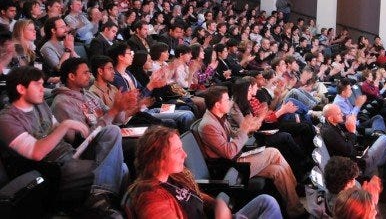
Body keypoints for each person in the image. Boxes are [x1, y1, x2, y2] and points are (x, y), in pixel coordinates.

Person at [0, 66, 127, 217]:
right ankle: (100, 203)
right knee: (122, 169)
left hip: (71, 154)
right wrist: (66, 125)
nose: (43, 89)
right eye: (37, 85)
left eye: (42, 84)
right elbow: (36, 153)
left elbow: (62, 135)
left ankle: (100, 197)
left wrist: (79, 130)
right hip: (53, 169)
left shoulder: (40, 105)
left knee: (112, 130)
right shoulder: (7, 120)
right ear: (21, 88)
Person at [126, 125, 283, 219]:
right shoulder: (152, 200)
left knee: (266, 201)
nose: (184, 154)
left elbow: (197, 197)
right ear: (157, 159)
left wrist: (218, 204)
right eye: (177, 151)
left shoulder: (174, 176)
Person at [197, 86, 306, 217]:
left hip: (237, 158)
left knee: (279, 171)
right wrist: (243, 130)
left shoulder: (219, 117)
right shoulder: (208, 125)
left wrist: (249, 127)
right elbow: (228, 152)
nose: (230, 102)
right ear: (217, 104)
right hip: (230, 166)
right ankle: (296, 191)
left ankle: (295, 209)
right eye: (227, 100)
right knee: (273, 152)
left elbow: (234, 135)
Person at [320, 103, 386, 203]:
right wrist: (352, 132)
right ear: (330, 118)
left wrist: (352, 128)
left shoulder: (335, 125)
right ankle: (379, 136)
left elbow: (349, 138)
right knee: (384, 138)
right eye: (339, 114)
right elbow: (349, 151)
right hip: (356, 166)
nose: (342, 114)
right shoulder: (328, 131)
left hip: (358, 157)